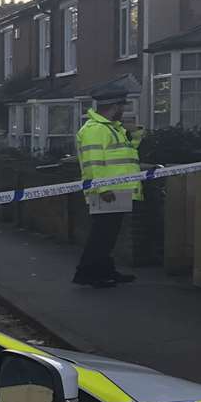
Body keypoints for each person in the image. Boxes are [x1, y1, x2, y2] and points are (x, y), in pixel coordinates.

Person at [73, 93, 141, 289]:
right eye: (121, 106)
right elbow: (93, 162)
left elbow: (127, 153)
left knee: (108, 234)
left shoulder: (111, 129)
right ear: (113, 106)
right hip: (107, 190)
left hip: (117, 189)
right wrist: (102, 188)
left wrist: (135, 134)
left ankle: (105, 271)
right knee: (102, 234)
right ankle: (87, 274)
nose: (124, 110)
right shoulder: (95, 130)